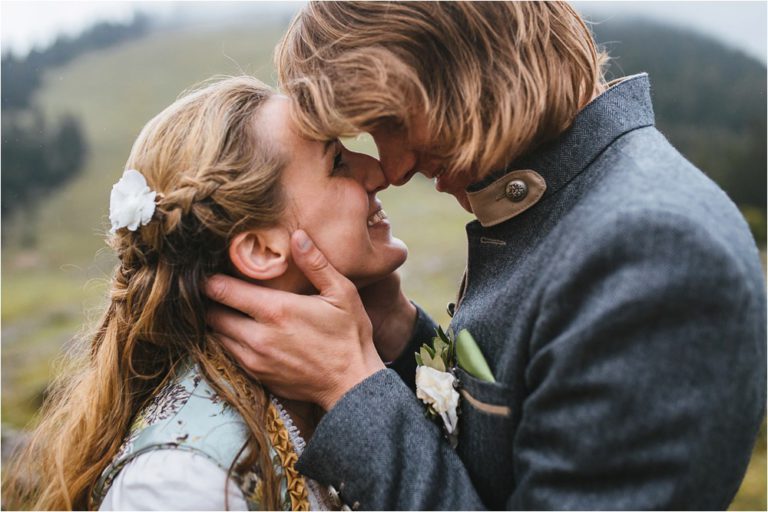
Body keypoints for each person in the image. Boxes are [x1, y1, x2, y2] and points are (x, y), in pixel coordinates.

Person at [206, 2, 767, 510]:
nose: (395, 168)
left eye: (392, 123)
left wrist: (348, 387)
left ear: (462, 69)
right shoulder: (572, 206)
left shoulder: (656, 253)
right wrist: (399, 335)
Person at [3, 75, 407, 510]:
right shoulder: (177, 487)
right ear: (260, 249)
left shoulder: (332, 379)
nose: (377, 172)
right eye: (338, 163)